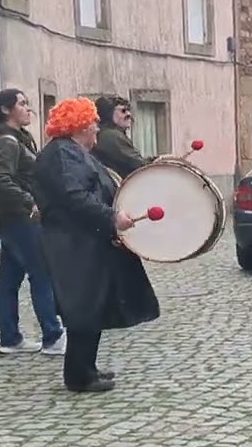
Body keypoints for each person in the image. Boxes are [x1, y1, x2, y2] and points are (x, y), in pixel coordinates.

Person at [32, 97, 160, 393]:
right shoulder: (64, 155)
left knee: (92, 304)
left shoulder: (71, 151)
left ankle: (87, 367)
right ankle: (79, 376)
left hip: (84, 239)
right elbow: (76, 197)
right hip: (74, 243)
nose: (96, 130)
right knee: (84, 306)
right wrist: (112, 217)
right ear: (78, 127)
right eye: (92, 124)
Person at [0, 89, 66, 356]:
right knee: (42, 273)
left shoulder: (19, 138)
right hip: (19, 217)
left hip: (13, 217)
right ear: (6, 110)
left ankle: (10, 338)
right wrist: (30, 201)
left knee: (10, 278)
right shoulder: (6, 141)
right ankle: (53, 336)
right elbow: (0, 179)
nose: (29, 109)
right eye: (22, 104)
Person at [92, 95, 151, 178]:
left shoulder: (106, 134)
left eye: (128, 110)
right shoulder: (111, 136)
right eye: (123, 111)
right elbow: (139, 165)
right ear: (109, 113)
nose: (128, 114)